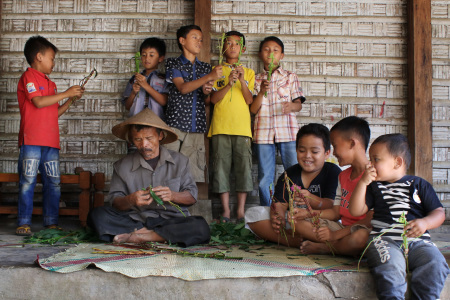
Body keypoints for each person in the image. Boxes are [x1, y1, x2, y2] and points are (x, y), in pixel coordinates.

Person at [88, 108, 210, 247]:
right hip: (136, 220)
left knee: (200, 227)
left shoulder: (181, 161)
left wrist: (173, 196)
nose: (144, 145)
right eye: (138, 139)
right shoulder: (122, 166)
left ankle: (141, 237)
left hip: (171, 221)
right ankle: (150, 234)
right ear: (132, 140)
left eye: (149, 138)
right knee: (97, 215)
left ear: (160, 136)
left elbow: (192, 198)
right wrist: (130, 200)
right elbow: (115, 203)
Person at [349, 133, 449, 299]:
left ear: (398, 162)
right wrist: (362, 183)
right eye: (370, 159)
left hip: (418, 243)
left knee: (436, 263)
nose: (370, 164)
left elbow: (439, 213)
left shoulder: (419, 184)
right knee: (391, 267)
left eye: (376, 159)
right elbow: (355, 211)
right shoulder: (374, 187)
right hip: (384, 241)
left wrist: (425, 223)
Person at [16, 36, 85, 236]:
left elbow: (53, 112)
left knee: (53, 183)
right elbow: (38, 102)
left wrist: (70, 99)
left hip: (51, 142)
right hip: (31, 140)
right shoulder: (29, 77)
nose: (53, 63)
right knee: (27, 180)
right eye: (52, 58)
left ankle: (51, 222)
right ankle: (24, 222)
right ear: (39, 57)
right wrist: (66, 93)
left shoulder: (51, 84)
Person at [245, 123, 341, 247]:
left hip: (320, 221)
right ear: (296, 150)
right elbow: (279, 203)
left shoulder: (333, 172)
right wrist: (277, 217)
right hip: (293, 220)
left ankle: (296, 238)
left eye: (314, 151)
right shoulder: (289, 174)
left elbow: (333, 207)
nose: (307, 156)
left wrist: (311, 200)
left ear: (327, 153)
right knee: (252, 214)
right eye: (302, 150)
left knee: (331, 228)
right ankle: (290, 240)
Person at [295, 116, 373, 256]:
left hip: (363, 230)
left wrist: (335, 235)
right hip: (342, 227)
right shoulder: (342, 176)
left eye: (335, 145)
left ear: (351, 143)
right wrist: (308, 214)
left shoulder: (374, 175)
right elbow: (335, 212)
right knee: (298, 222)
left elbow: (370, 220)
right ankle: (342, 247)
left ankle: (326, 248)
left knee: (361, 237)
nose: (334, 152)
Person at [251, 36, 306, 206]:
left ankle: (295, 212)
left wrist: (291, 106)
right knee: (264, 177)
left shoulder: (290, 77)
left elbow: (299, 105)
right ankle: (269, 214)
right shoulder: (255, 78)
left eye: (275, 50)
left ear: (281, 55)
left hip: (287, 131)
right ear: (261, 54)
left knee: (294, 173)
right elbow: (252, 110)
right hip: (263, 132)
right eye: (267, 49)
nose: (271, 53)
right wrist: (261, 92)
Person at [164, 25, 223, 182]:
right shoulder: (173, 63)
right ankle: (168, 206)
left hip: (196, 125)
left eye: (201, 39)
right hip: (175, 125)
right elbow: (183, 88)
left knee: (192, 174)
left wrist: (206, 90)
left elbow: (206, 98)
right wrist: (209, 76)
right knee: (169, 171)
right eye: (195, 37)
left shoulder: (204, 67)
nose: (199, 41)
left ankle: (187, 206)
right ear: (182, 41)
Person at [208, 31, 254, 222]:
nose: (232, 46)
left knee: (244, 168)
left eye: (237, 43)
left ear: (242, 49)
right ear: (223, 47)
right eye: (229, 43)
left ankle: (241, 211)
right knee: (220, 168)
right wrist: (228, 83)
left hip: (242, 129)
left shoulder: (249, 72)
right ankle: (226, 211)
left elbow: (250, 100)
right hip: (220, 127)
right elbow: (213, 99)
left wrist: (241, 81)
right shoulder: (216, 70)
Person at [122, 37, 168, 120]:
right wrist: (133, 92)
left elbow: (164, 101)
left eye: (151, 55)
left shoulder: (164, 79)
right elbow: (127, 106)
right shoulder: (134, 79)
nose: (147, 58)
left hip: (156, 124)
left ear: (161, 58)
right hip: (136, 122)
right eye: (144, 55)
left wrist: (145, 85)